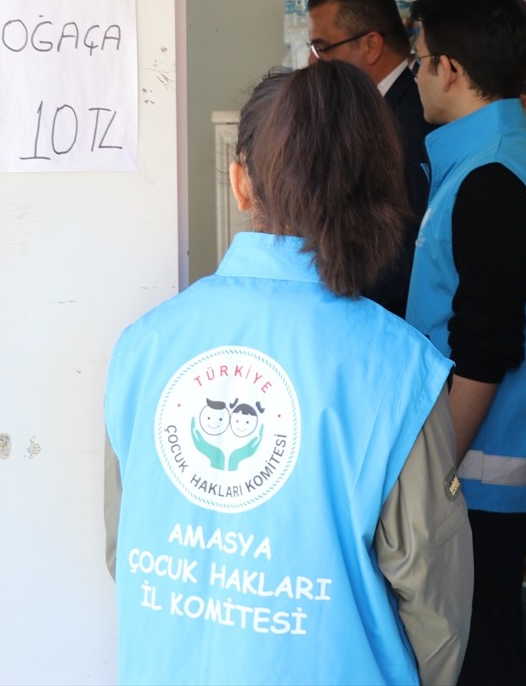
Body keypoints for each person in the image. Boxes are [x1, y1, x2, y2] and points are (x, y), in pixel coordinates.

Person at [104, 62, 473, 686]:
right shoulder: (398, 368)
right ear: (381, 191)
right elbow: (434, 608)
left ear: (240, 184)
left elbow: (125, 549)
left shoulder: (145, 346)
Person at [406, 0, 526, 686]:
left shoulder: (492, 175)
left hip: (476, 480)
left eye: (416, 61)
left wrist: (429, 472)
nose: (414, 78)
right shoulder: (492, 155)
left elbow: (484, 349)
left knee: (480, 657)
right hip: (480, 475)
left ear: (449, 68)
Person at [307, 0, 437, 317]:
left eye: (322, 48)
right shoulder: (366, 110)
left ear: (370, 45)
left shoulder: (411, 118)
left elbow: (406, 248)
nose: (311, 63)